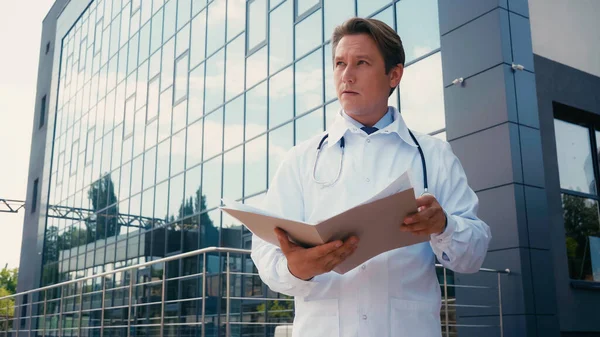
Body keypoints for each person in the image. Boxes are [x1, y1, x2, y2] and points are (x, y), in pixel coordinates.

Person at [251, 17, 491, 337]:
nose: (346, 75)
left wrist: (443, 225)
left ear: (394, 74)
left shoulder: (434, 155)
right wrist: (298, 268)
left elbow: (473, 254)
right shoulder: (300, 160)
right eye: (339, 63)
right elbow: (266, 253)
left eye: (361, 62)